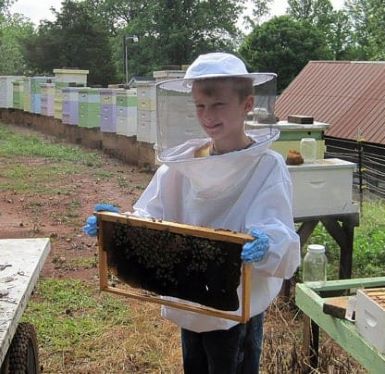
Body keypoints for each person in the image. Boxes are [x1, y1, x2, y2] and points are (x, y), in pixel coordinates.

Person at [84, 52, 300, 373]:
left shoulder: (267, 167)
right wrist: (118, 225)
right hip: (192, 299)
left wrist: (268, 243)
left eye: (218, 105)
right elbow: (151, 215)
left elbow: (275, 226)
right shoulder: (182, 165)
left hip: (237, 306)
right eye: (200, 106)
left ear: (247, 104)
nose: (207, 115)